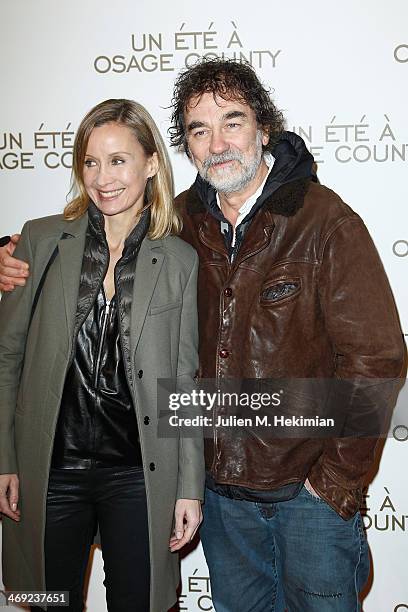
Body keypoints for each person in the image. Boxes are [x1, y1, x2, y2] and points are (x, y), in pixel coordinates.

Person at [1, 59, 406, 611]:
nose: (217, 143)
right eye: (198, 129)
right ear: (184, 147)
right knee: (43, 598)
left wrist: (331, 483)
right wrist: (10, 253)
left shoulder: (324, 221)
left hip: (303, 495)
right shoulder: (183, 221)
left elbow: (377, 358)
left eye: (232, 122)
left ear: (264, 128)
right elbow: (75, 244)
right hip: (219, 497)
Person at [0, 98, 204, 612]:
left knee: (140, 603)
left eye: (118, 160)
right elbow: (6, 358)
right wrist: (3, 459)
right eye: (91, 162)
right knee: (43, 599)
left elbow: (185, 381)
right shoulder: (38, 241)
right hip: (51, 470)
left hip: (137, 474)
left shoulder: (179, 259)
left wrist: (190, 487)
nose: (103, 177)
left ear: (151, 163)